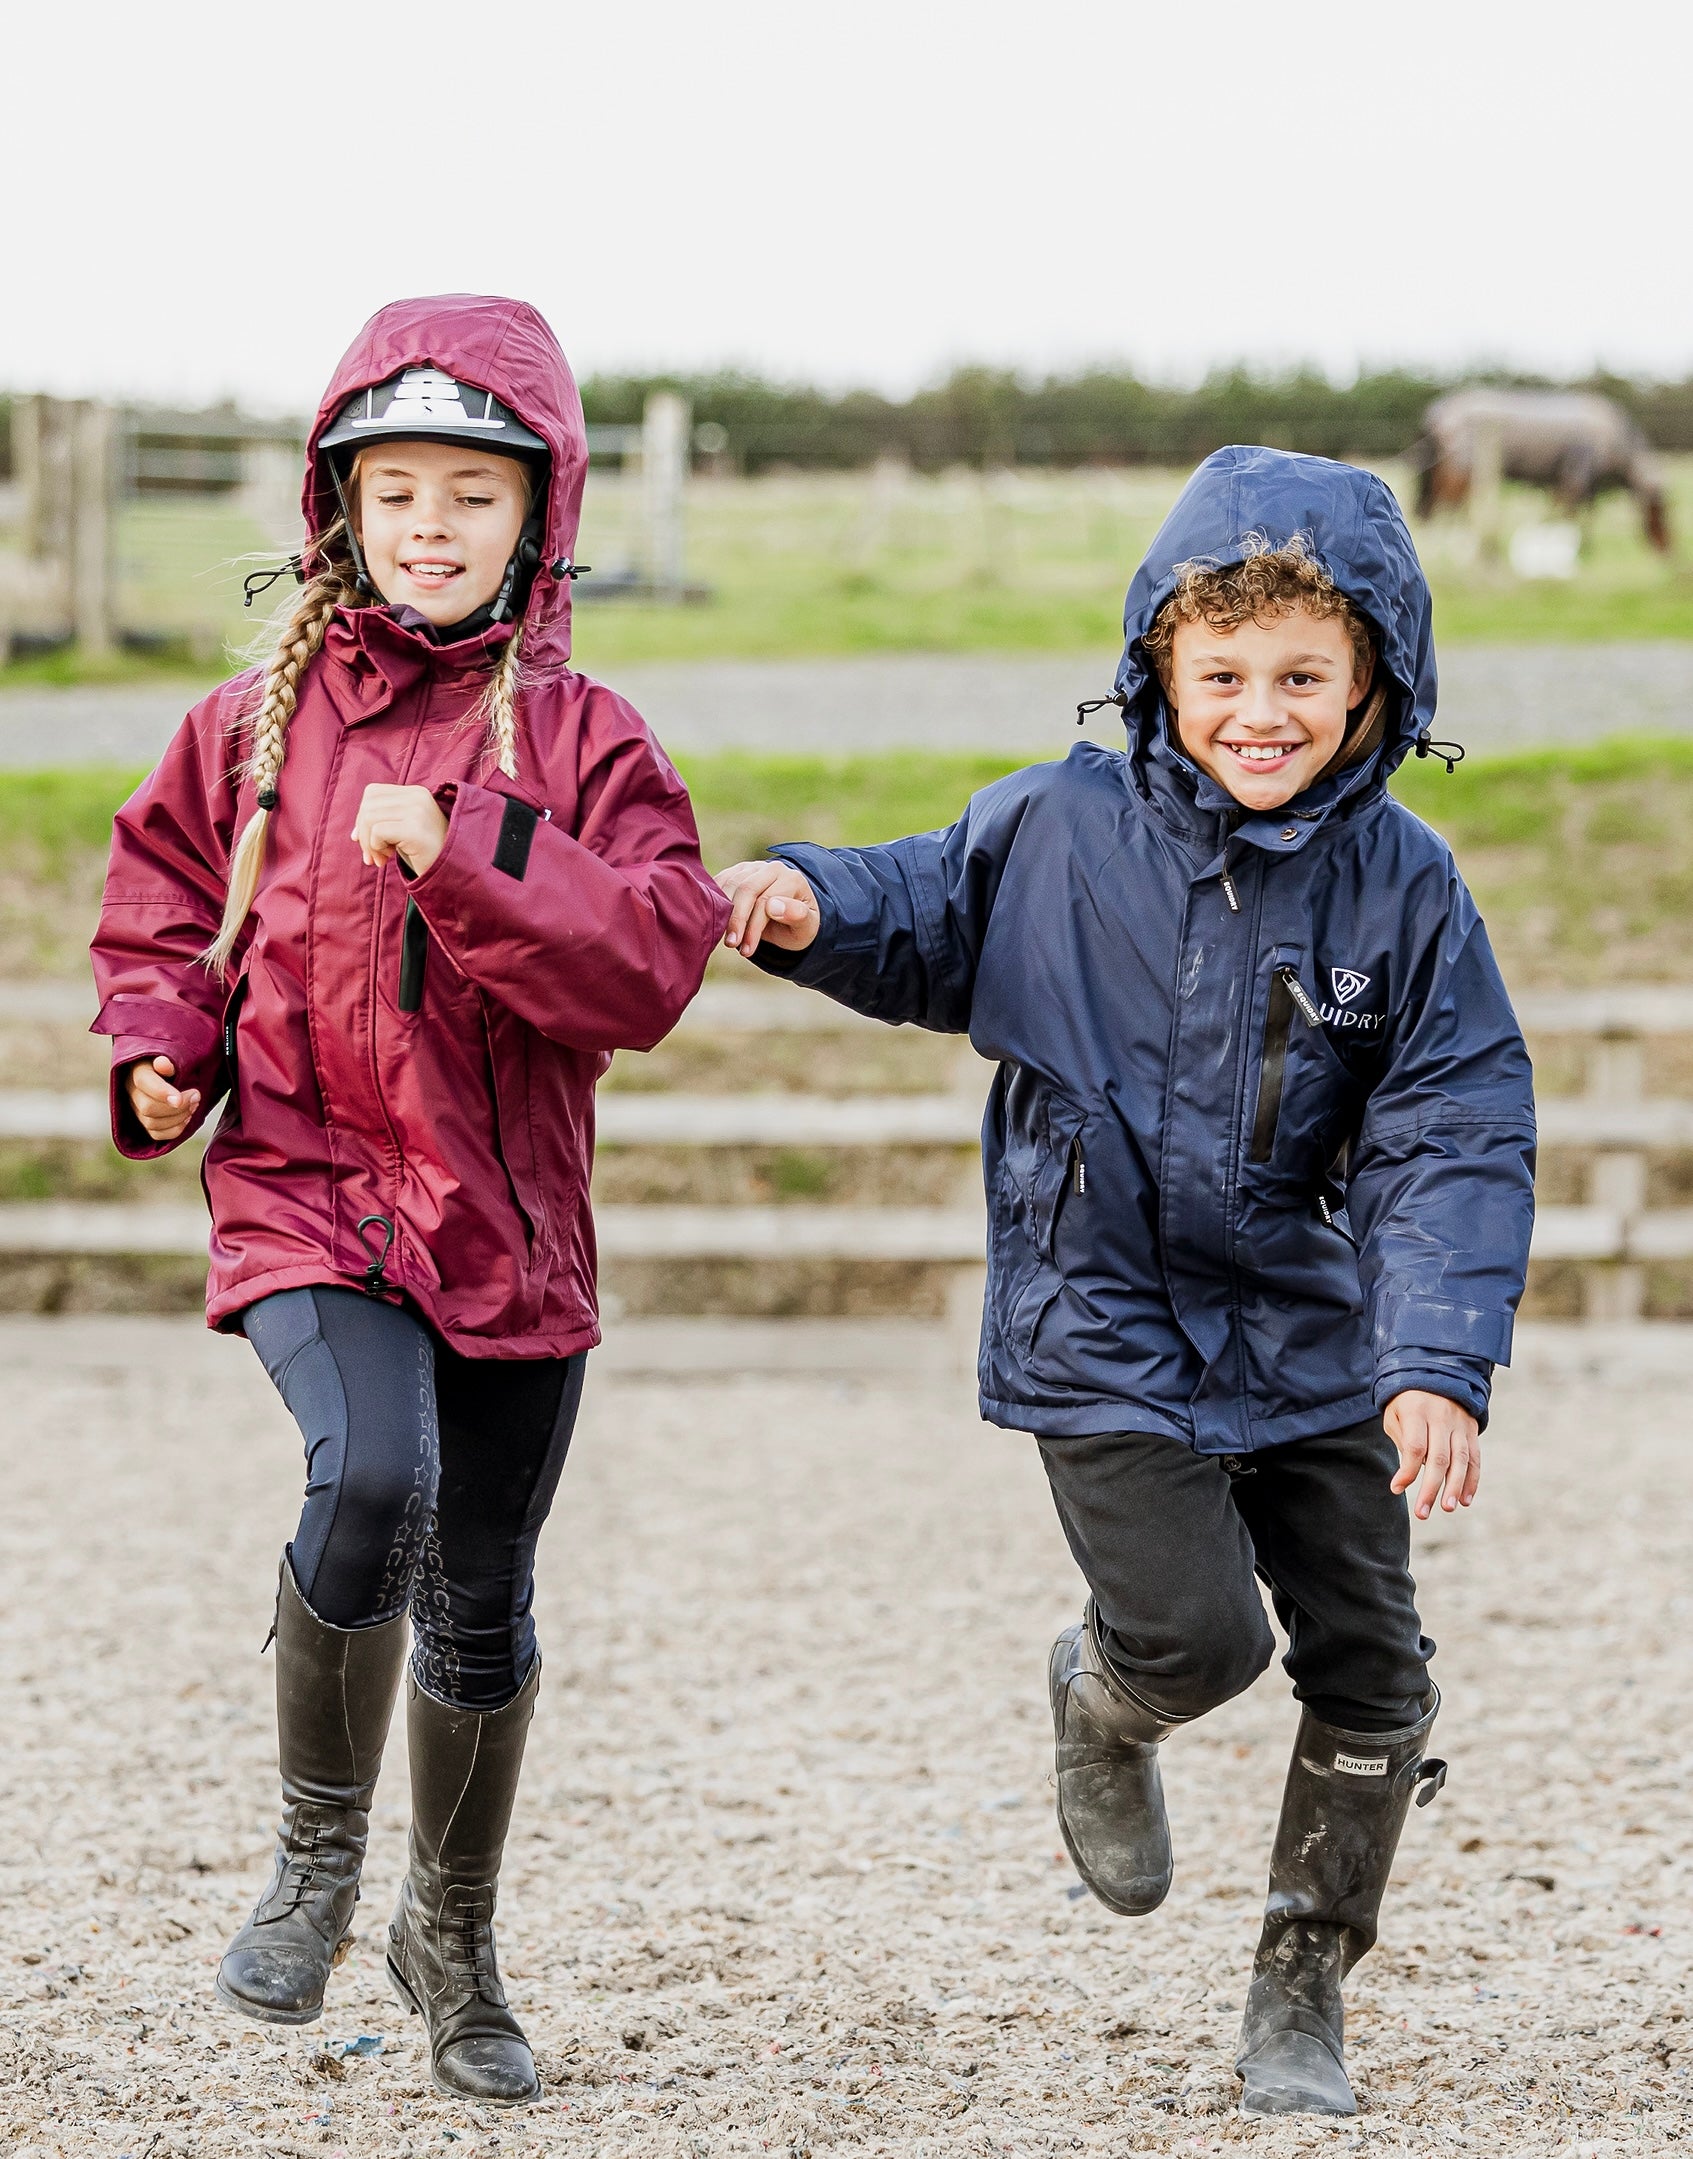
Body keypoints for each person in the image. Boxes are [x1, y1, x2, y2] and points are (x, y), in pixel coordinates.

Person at [713, 447, 1536, 2120]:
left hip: (1310, 1327)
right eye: (1220, 671)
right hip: (1095, 1314)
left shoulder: (1408, 886)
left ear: (1375, 678)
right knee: (1198, 1643)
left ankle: (1302, 1981)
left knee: (1373, 1664)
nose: (1259, 708)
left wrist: (1434, 1355)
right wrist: (806, 899)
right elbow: (914, 906)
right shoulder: (1054, 824)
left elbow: (1450, 1130)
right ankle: (1103, 1695)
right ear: (1156, 667)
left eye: (1302, 675)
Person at [91, 295, 728, 2106]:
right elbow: (157, 914)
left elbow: (645, 971)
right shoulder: (245, 728)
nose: (431, 526)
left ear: (541, 516)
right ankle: (313, 1862)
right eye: (396, 493)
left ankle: (453, 1939)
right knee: (375, 1478)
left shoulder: (589, 743)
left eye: (471, 492)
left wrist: (475, 858)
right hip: (306, 1192)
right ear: (337, 509)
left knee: (488, 1600)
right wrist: (160, 1044)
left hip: (509, 1232)